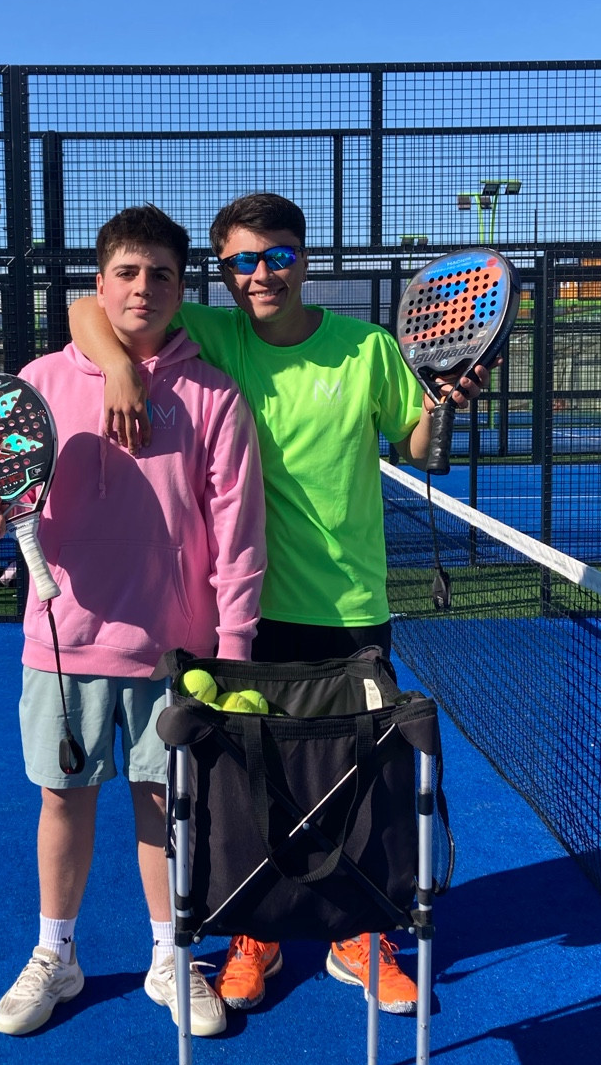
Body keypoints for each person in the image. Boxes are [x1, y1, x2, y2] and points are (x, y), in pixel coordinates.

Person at [70, 192, 492, 1016]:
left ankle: (356, 934)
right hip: (244, 609)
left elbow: (417, 447)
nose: (262, 274)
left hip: (349, 604)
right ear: (225, 273)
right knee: (250, 783)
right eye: (243, 262)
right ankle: (253, 932)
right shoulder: (212, 334)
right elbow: (91, 309)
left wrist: (443, 406)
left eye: (279, 256)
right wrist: (119, 368)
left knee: (356, 780)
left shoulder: (367, 350)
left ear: (305, 260)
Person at [0, 206, 265, 1037]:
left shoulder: (214, 396)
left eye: (161, 274)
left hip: (173, 651)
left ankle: (170, 956)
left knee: (165, 806)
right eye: (126, 272)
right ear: (100, 283)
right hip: (63, 642)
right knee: (63, 801)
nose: (142, 287)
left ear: (182, 289)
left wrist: (232, 653)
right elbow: (12, 497)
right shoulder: (40, 383)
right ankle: (56, 954)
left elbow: (237, 535)